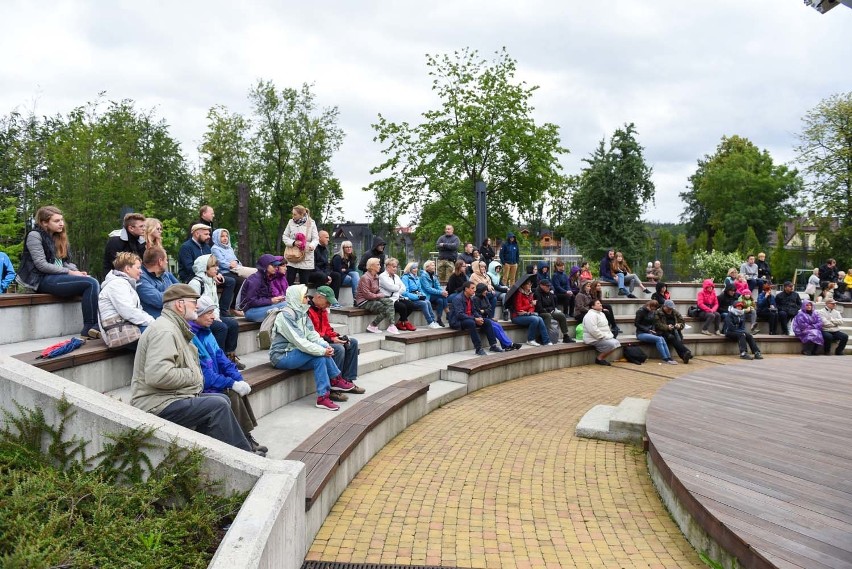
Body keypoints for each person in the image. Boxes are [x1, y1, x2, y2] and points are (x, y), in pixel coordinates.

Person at [130, 283, 254, 453]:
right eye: (193, 302)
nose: (197, 305)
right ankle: (244, 456)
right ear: (180, 305)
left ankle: (214, 453)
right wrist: (196, 375)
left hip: (169, 398)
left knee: (222, 399)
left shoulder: (174, 328)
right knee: (217, 404)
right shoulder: (165, 331)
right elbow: (157, 376)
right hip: (156, 404)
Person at [189, 295, 266, 455]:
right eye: (208, 312)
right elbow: (205, 376)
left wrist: (238, 379)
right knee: (231, 393)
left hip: (212, 382)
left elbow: (222, 359)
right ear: (197, 314)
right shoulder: (192, 337)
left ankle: (245, 436)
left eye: (213, 312)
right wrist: (231, 383)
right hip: (201, 387)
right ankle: (243, 443)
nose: (213, 317)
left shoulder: (207, 333)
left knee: (239, 388)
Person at [16, 205, 101, 338]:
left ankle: (98, 325)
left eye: (61, 220)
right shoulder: (34, 235)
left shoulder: (58, 237)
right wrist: (70, 273)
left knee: (91, 280)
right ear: (44, 222)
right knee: (90, 283)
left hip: (58, 277)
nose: (61, 223)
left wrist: (77, 271)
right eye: (56, 221)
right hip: (41, 279)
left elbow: (64, 262)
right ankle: (89, 328)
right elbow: (41, 265)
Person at [268, 285, 356, 411]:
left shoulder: (303, 313)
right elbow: (300, 341)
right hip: (282, 356)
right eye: (304, 297)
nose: (307, 299)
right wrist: (322, 351)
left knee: (320, 359)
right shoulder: (285, 316)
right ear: (295, 298)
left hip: (295, 353)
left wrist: (326, 346)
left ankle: (323, 398)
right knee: (319, 354)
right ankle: (336, 379)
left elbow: (312, 335)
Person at [307, 286, 367, 401]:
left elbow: (327, 329)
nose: (329, 305)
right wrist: (331, 340)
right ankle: (333, 388)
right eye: (328, 302)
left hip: (323, 339)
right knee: (338, 349)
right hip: (314, 342)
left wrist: (336, 336)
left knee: (352, 342)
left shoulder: (322, 309)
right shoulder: (307, 310)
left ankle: (348, 380)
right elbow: (311, 335)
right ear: (318, 297)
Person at [189, 254, 243, 370]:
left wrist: (216, 316)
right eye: (214, 266)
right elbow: (192, 306)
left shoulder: (211, 281)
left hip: (211, 315)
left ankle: (230, 356)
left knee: (233, 323)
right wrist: (212, 317)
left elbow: (215, 304)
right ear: (205, 268)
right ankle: (219, 360)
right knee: (221, 327)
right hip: (198, 319)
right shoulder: (196, 283)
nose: (217, 269)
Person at [98, 252, 154, 347]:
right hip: (121, 332)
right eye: (138, 268)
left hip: (128, 327)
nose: (141, 271)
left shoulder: (124, 284)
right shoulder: (117, 284)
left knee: (163, 333)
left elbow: (135, 311)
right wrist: (153, 322)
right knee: (160, 335)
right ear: (127, 269)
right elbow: (129, 312)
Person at [449, 281, 502, 356]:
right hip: (457, 321)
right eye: (472, 288)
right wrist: (474, 319)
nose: (474, 290)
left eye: (475, 288)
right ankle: (478, 348)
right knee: (471, 323)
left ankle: (493, 345)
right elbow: (459, 315)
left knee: (486, 321)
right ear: (466, 289)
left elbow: (474, 311)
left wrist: (479, 317)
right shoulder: (458, 299)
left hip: (469, 318)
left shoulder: (471, 298)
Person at [211, 228, 253, 316]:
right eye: (222, 236)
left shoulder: (229, 248)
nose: (225, 238)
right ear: (216, 237)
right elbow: (220, 262)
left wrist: (236, 263)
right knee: (239, 281)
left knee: (249, 280)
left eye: (226, 236)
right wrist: (230, 265)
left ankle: (243, 305)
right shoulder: (215, 248)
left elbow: (237, 261)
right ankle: (231, 307)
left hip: (234, 270)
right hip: (223, 272)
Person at [238, 254, 288, 323]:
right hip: (250, 312)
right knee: (286, 305)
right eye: (274, 266)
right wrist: (271, 301)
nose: (276, 268)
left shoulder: (266, 278)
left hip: (261, 308)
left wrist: (277, 299)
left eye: (277, 266)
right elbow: (251, 301)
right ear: (265, 265)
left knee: (288, 304)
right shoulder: (255, 280)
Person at [356, 257, 398, 334]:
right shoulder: (365, 278)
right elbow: (367, 295)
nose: (380, 266)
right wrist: (379, 295)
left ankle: (392, 325)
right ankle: (373, 325)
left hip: (373, 298)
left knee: (389, 301)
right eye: (378, 265)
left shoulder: (376, 276)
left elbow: (376, 290)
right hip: (364, 301)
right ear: (372, 266)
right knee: (384, 308)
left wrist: (381, 295)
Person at [137, 247, 180, 319]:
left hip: (172, 317)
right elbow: (160, 300)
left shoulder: (165, 274)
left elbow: (183, 290)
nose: (167, 262)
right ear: (160, 261)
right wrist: (176, 293)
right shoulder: (141, 278)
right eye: (166, 260)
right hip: (155, 321)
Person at [282, 205, 318, 286]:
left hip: (306, 256)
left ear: (302, 214)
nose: (293, 216)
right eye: (292, 214)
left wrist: (312, 245)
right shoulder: (290, 222)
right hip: (292, 255)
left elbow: (316, 238)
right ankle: (287, 298)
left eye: (295, 214)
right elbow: (285, 236)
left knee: (303, 285)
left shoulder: (311, 223)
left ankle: (303, 298)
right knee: (288, 282)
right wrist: (294, 242)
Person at [103, 212, 147, 276]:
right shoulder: (115, 242)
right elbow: (117, 265)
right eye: (141, 226)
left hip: (136, 277)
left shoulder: (141, 241)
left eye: (144, 226)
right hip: (116, 279)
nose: (144, 229)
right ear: (131, 228)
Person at [379, 257, 416, 331]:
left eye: (396, 267)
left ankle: (399, 322)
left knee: (411, 305)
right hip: (388, 299)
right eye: (393, 267)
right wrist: (397, 288)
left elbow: (403, 288)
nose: (395, 269)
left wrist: (396, 289)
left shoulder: (396, 276)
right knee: (402, 307)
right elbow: (391, 287)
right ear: (388, 267)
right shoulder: (382, 276)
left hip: (397, 297)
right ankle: (406, 321)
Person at [511, 278, 550, 347]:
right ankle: (530, 340)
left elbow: (532, 307)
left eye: (530, 284)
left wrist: (529, 312)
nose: (530, 285)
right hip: (517, 316)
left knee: (540, 319)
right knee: (535, 319)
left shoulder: (530, 293)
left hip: (526, 315)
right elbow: (519, 309)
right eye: (528, 284)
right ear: (523, 285)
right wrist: (530, 305)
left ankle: (546, 341)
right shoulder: (518, 294)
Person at [635, 300, 677, 364]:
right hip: (641, 333)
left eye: (654, 309)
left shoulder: (652, 312)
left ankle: (669, 357)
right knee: (659, 339)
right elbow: (637, 324)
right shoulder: (640, 311)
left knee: (662, 338)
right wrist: (648, 330)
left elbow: (653, 323)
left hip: (650, 332)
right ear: (650, 306)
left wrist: (653, 330)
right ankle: (665, 359)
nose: (653, 310)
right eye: (653, 308)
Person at [402, 262, 440, 328]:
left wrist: (423, 295)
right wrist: (417, 297)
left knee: (427, 301)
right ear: (409, 269)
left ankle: (433, 321)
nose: (416, 270)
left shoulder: (416, 278)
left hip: (418, 297)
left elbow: (420, 290)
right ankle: (430, 322)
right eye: (414, 268)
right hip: (410, 299)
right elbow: (405, 292)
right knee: (424, 303)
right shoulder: (405, 278)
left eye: (416, 268)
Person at [535, 278, 573, 344]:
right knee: (548, 316)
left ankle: (565, 336)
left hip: (550, 311)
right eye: (547, 286)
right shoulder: (537, 293)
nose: (548, 287)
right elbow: (539, 307)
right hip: (540, 312)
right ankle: (543, 337)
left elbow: (553, 305)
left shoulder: (550, 293)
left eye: (549, 286)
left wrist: (551, 310)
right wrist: (548, 311)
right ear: (541, 285)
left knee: (561, 315)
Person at [583, 300, 621, 366]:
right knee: (612, 344)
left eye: (600, 303)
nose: (600, 304)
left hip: (602, 337)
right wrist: (603, 337)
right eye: (598, 303)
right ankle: (599, 358)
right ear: (592, 306)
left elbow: (606, 327)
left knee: (616, 342)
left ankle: (601, 357)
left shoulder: (602, 314)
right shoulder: (590, 315)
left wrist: (609, 335)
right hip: (593, 338)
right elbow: (593, 330)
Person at [654, 300, 692, 364]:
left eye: (671, 308)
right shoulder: (658, 312)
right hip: (662, 331)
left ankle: (684, 355)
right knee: (671, 338)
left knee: (677, 339)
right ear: (664, 306)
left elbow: (682, 322)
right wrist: (667, 327)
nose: (670, 310)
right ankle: (686, 352)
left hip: (675, 330)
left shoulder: (674, 312)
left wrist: (679, 326)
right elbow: (657, 325)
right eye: (669, 308)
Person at [309, 230, 342, 304]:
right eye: (326, 237)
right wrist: (325, 276)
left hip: (323, 273)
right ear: (319, 238)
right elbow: (313, 265)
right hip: (312, 273)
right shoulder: (313, 249)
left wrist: (327, 275)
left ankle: (334, 301)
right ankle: (321, 301)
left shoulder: (325, 250)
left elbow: (327, 265)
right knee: (321, 276)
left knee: (337, 275)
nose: (328, 239)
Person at [420, 260, 448, 327]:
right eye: (432, 265)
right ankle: (448, 312)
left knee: (440, 300)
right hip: (427, 295)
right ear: (427, 267)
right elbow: (428, 289)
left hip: (434, 295)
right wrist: (441, 292)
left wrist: (443, 291)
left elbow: (438, 286)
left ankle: (439, 319)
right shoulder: (423, 276)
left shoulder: (434, 276)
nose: (434, 267)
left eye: (434, 265)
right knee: (443, 296)